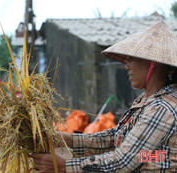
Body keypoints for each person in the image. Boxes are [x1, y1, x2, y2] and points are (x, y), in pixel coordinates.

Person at [31, 21, 177, 172]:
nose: (127, 66)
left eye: (131, 59)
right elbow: (114, 139)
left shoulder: (161, 108)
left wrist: (62, 166)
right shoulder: (145, 100)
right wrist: (63, 139)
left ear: (153, 64)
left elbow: (122, 161)